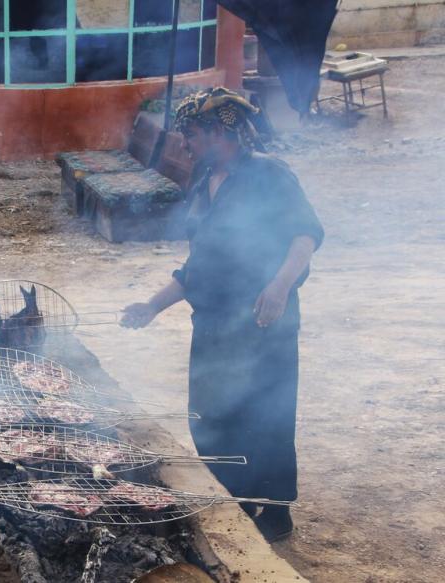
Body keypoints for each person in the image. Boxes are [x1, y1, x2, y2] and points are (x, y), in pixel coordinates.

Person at [121, 88, 324, 543]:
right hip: (212, 324)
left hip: (261, 320)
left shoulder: (268, 174)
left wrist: (279, 285)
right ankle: (235, 495)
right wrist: (152, 306)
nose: (184, 143)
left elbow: (305, 236)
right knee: (211, 413)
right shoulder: (203, 176)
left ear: (218, 131)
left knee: (263, 413)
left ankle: (273, 510)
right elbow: (198, 265)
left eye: (190, 134)